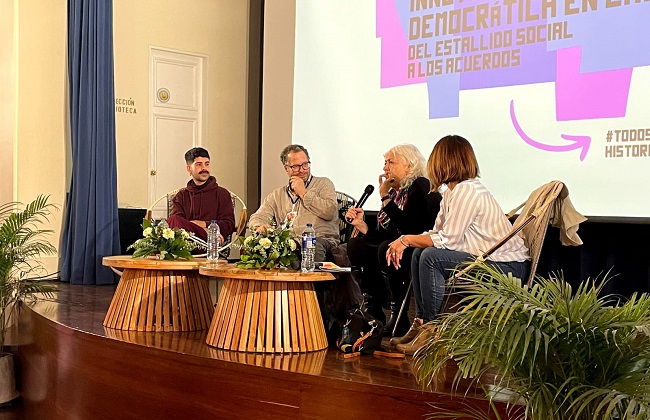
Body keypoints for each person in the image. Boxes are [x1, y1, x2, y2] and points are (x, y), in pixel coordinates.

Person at [385, 135, 530, 354]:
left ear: (444, 161)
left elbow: (448, 241)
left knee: (431, 257)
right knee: (418, 253)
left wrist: (405, 239)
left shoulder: (467, 190)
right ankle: (422, 322)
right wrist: (409, 242)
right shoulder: (452, 192)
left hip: (506, 268)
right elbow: (437, 232)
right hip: (488, 262)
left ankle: (432, 332)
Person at [344, 144, 441, 336]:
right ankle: (372, 309)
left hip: (421, 246)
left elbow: (408, 229)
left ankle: (399, 314)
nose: (385, 168)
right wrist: (363, 226)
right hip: (399, 243)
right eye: (384, 162)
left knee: (384, 249)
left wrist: (384, 198)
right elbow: (389, 235)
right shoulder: (398, 194)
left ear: (409, 165)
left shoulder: (421, 185)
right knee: (357, 245)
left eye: (390, 162)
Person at [248, 144, 339, 264]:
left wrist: (304, 193)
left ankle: (311, 282)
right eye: (296, 166)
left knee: (311, 245)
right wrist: (259, 226)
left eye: (305, 165)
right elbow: (257, 217)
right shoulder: (277, 195)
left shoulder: (324, 184)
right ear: (286, 169)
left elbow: (330, 212)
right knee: (263, 249)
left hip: (320, 241)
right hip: (291, 244)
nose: (302, 170)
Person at [167, 147, 235, 245]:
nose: (204, 168)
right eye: (199, 164)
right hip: (185, 243)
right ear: (189, 169)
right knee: (173, 220)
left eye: (207, 164)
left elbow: (229, 225)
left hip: (210, 243)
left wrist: (205, 224)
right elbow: (178, 225)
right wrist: (202, 229)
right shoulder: (181, 196)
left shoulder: (222, 194)